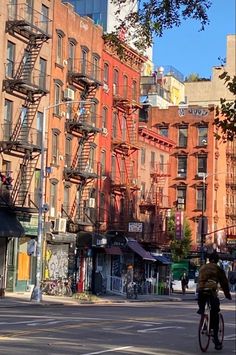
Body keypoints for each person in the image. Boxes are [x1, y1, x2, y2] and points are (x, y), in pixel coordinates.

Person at [197, 252, 232, 350]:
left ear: (209, 259)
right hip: (211, 291)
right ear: (217, 260)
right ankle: (216, 340)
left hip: (200, 291)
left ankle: (202, 313)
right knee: (215, 313)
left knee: (202, 306)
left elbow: (199, 280)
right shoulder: (218, 269)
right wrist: (227, 295)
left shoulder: (202, 268)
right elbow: (224, 283)